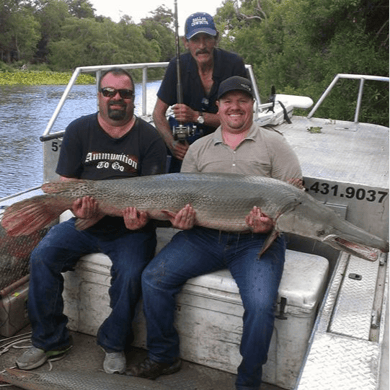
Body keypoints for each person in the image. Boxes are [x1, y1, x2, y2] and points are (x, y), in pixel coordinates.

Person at [127, 76, 302, 390]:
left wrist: (271, 223)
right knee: (153, 278)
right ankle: (164, 355)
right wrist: (181, 221)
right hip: (204, 237)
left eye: (242, 100)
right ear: (218, 108)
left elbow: (294, 201)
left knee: (262, 305)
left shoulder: (275, 144)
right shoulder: (198, 148)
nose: (235, 107)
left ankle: (248, 381)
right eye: (228, 101)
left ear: (252, 106)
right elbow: (182, 200)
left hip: (257, 241)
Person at [16, 68, 167, 375]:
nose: (117, 98)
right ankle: (50, 340)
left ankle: (113, 342)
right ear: (98, 96)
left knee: (131, 273)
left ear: (132, 99)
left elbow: (154, 194)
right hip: (85, 221)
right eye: (109, 92)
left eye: (124, 93)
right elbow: (67, 181)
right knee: (42, 256)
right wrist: (77, 208)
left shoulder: (150, 138)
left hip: (130, 230)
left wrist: (141, 219)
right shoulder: (79, 129)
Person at [153, 12, 248, 172]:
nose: (202, 46)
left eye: (207, 38)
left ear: (216, 39)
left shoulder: (233, 64)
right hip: (187, 144)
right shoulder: (176, 65)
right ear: (186, 42)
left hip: (224, 141)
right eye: (196, 39)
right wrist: (172, 143)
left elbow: (242, 118)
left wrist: (196, 116)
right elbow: (157, 113)